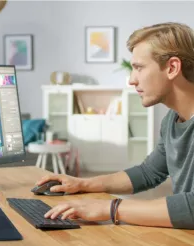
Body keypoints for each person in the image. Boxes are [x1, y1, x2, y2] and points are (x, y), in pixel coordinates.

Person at [36, 22, 194, 229]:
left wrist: (111, 208)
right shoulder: (172, 120)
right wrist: (82, 184)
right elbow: (149, 172)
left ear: (172, 68)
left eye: (139, 68)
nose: (131, 80)